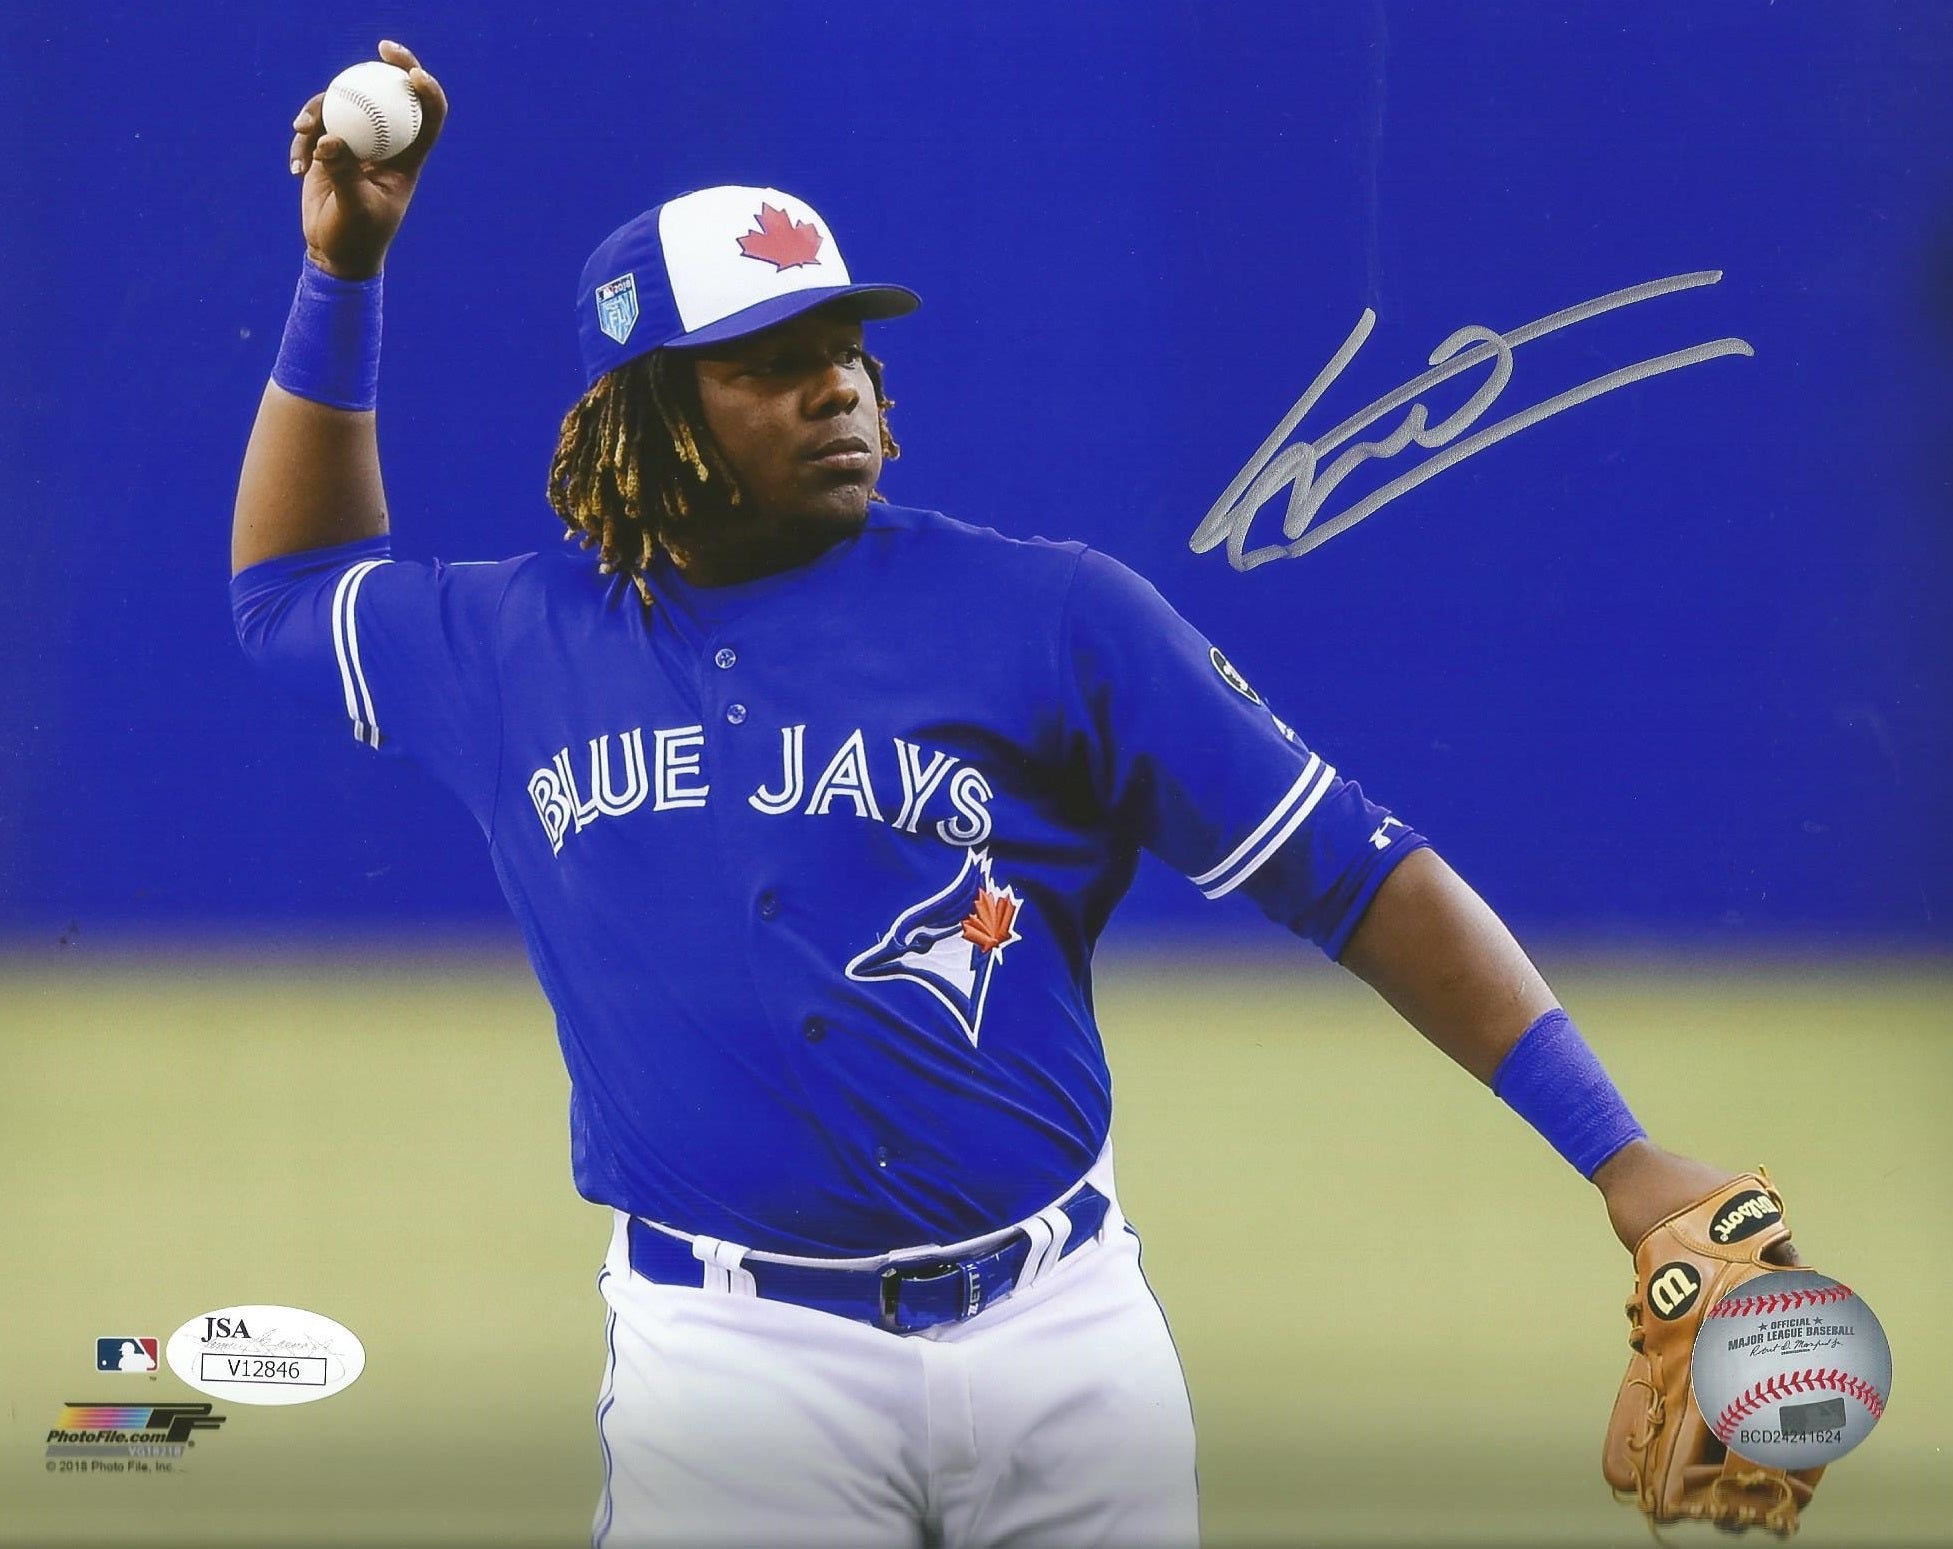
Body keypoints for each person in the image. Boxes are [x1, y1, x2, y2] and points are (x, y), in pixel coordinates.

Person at [234, 41, 1792, 1549]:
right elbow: (290, 588)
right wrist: (345, 271)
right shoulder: (512, 643)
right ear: (640, 407)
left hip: (1062, 1343)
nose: (831, 387)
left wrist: (1614, 1147)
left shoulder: (1049, 616)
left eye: (842, 345)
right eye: (767, 362)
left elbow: (1353, 873)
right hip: (735, 1373)